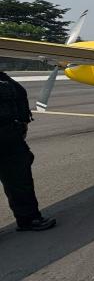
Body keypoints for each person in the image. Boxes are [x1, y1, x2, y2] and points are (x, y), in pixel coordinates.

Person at [0, 71, 56, 231]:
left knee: (19, 180)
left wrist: (23, 122)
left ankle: (28, 219)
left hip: (10, 136)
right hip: (9, 135)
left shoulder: (4, 79)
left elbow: (19, 94)